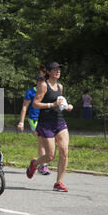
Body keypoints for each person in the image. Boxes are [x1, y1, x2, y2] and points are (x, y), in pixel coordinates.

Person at [27, 62, 74, 192]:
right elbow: (35, 104)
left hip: (59, 122)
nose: (58, 71)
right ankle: (35, 164)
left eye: (59, 69)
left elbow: (59, 104)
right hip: (46, 123)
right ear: (48, 72)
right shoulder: (43, 85)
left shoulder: (60, 86)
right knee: (50, 156)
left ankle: (58, 182)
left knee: (64, 151)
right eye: (55, 69)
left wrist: (67, 106)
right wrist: (51, 104)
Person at [17, 72, 50, 175]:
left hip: (45, 119)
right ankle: (43, 166)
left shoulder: (47, 91)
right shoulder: (31, 92)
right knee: (41, 141)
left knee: (44, 142)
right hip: (34, 119)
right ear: (36, 81)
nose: (41, 82)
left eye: (43, 80)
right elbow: (24, 107)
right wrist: (21, 122)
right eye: (39, 80)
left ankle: (38, 163)